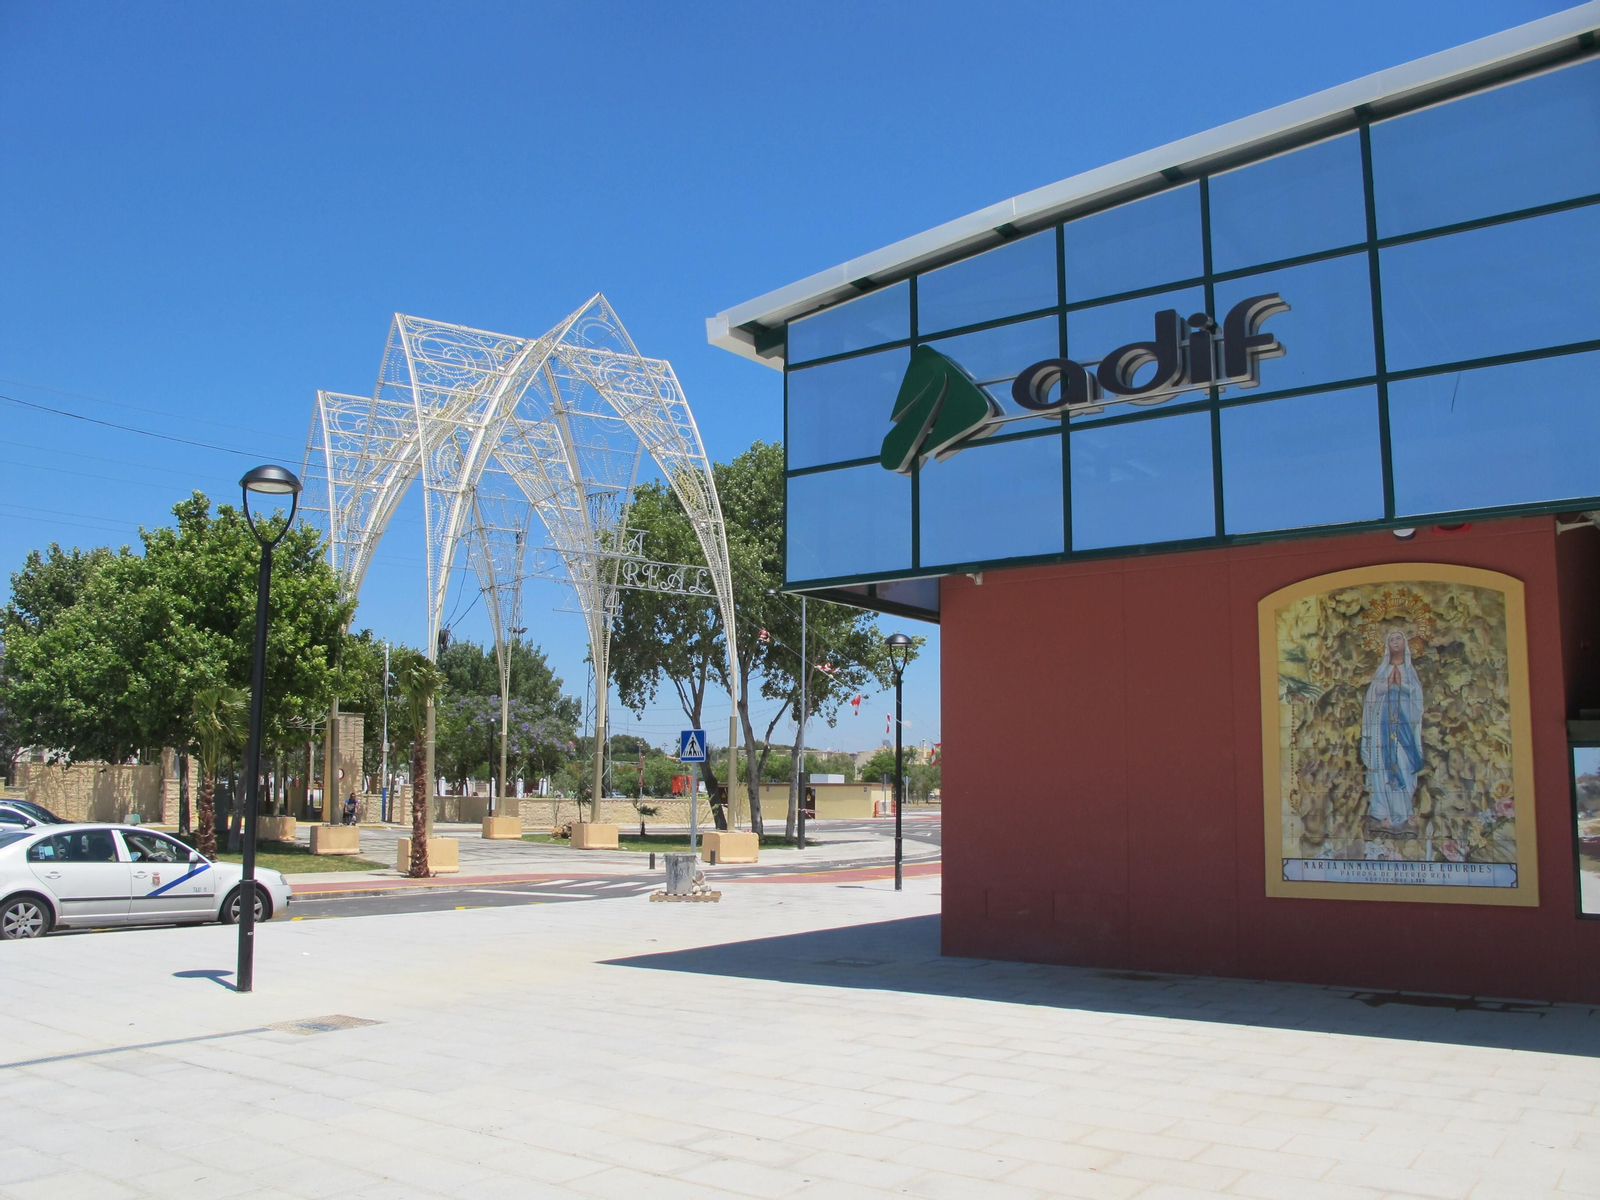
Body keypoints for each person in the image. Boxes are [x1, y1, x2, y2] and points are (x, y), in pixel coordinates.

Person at [1360, 627, 1424, 831]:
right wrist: (1385, 686)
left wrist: (1402, 686)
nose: (1395, 642)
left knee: (1404, 764)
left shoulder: (1409, 669)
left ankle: (1404, 812)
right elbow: (1371, 696)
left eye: (1399, 638)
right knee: (1383, 767)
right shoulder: (1383, 669)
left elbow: (1418, 702)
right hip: (1382, 728)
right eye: (1392, 639)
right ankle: (1384, 813)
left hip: (1403, 729)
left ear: (1405, 643)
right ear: (1387, 645)